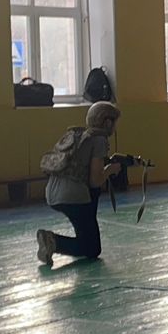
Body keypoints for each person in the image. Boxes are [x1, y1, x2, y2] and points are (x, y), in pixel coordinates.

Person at [35, 100, 124, 265]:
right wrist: (110, 170)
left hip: (53, 193)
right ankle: (53, 241)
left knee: (85, 237)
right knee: (92, 249)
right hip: (73, 196)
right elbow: (95, 181)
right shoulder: (99, 140)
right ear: (107, 122)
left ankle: (52, 243)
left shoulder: (78, 135)